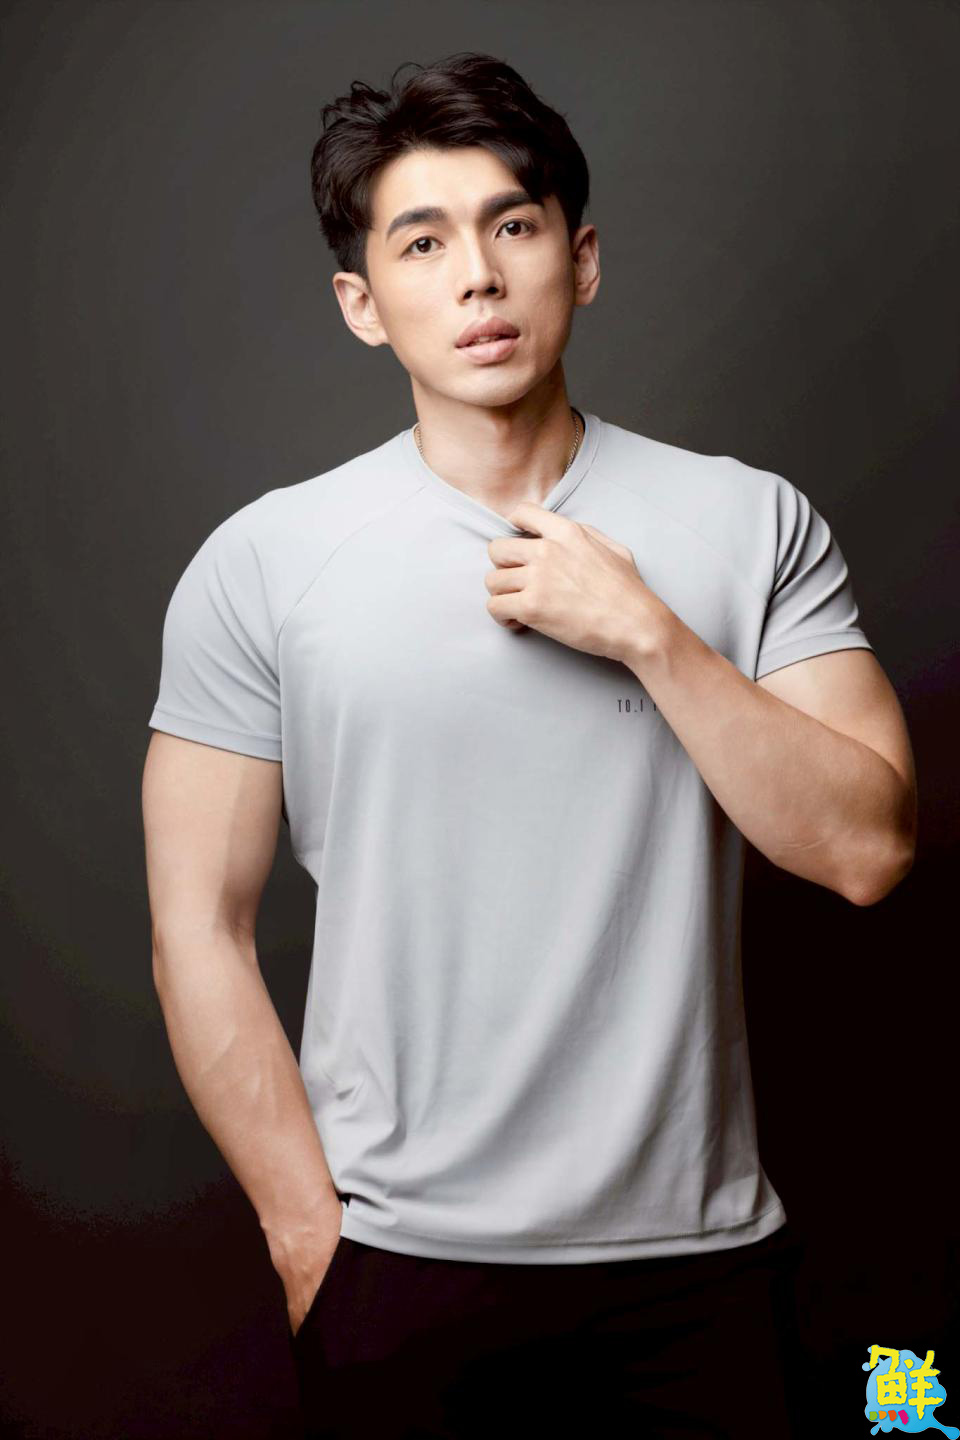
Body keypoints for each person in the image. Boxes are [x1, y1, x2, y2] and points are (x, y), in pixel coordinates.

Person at [141, 50, 917, 1440]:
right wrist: (308, 1241)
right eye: (422, 243)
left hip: (704, 1271)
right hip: (396, 1272)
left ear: (583, 259)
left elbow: (869, 851)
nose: (479, 277)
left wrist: (651, 636)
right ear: (362, 306)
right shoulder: (265, 562)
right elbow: (198, 926)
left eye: (513, 225)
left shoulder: (749, 522)